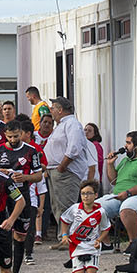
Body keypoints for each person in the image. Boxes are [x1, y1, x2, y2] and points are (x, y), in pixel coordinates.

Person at [0, 116, 43, 273]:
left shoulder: (31, 151)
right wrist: (1, 173)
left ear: (21, 133)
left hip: (23, 196)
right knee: (4, 237)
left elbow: (39, 175)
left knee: (20, 236)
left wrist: (25, 177)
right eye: (10, 137)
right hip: (4, 197)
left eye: (16, 136)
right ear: (5, 135)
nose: (13, 140)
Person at [44, 97, 93, 245]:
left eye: (53, 108)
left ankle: (71, 238)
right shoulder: (62, 125)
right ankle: (64, 238)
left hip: (66, 172)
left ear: (60, 110)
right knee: (58, 207)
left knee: (66, 206)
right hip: (55, 171)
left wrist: (62, 166)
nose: (51, 110)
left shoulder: (72, 124)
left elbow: (74, 148)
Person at [99, 130, 137, 242]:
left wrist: (128, 193)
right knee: (94, 209)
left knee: (127, 209)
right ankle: (105, 243)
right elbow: (113, 181)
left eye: (128, 143)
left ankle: (134, 244)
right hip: (119, 197)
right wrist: (110, 164)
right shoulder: (125, 161)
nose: (125, 146)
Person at [61, 180, 111, 273]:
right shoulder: (75, 209)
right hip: (76, 247)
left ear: (95, 195)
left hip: (92, 247)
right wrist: (65, 235)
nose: (85, 196)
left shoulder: (100, 212)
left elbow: (106, 228)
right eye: (83, 193)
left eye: (88, 193)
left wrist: (99, 240)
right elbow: (64, 220)